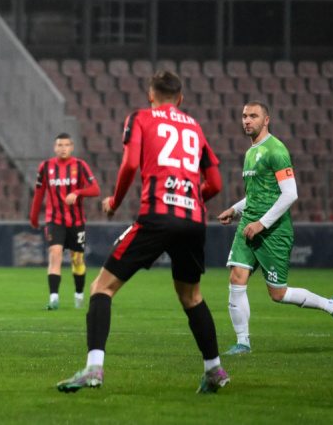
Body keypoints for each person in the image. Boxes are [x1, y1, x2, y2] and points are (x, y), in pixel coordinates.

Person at [56, 71, 229, 395]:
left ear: (151, 95)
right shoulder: (194, 127)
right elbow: (215, 184)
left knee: (101, 288)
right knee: (192, 296)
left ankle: (93, 369)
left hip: (158, 215)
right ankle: (214, 370)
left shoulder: (141, 118)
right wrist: (190, 201)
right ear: (180, 98)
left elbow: (130, 164)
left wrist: (115, 201)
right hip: (193, 220)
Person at [218, 101, 333, 355]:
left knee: (278, 294)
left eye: (253, 116)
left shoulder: (276, 150)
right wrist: (236, 210)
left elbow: (290, 194)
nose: (247, 120)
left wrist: (262, 223)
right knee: (237, 277)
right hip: (249, 225)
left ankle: (331, 306)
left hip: (273, 231)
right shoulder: (250, 152)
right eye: (244, 116)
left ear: (266, 120)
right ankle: (243, 343)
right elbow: (259, 195)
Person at [30, 133, 99, 310]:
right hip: (54, 219)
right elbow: (39, 193)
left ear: (72, 147)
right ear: (55, 147)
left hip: (76, 221)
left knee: (77, 260)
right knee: (55, 255)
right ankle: (54, 299)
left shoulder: (80, 165)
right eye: (60, 145)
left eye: (66, 145)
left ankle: (79, 295)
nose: (63, 148)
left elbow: (95, 189)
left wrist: (78, 192)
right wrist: (34, 216)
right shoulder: (45, 166)